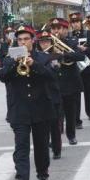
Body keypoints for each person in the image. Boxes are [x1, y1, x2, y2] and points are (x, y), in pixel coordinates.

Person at [0, 25, 56, 180]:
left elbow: (52, 76)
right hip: (19, 109)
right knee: (21, 145)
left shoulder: (43, 57)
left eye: (26, 39)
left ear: (32, 40)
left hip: (41, 108)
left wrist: (35, 64)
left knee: (41, 144)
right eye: (20, 39)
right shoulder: (10, 58)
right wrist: (14, 63)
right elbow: (2, 76)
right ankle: (22, 178)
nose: (22, 42)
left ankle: (42, 172)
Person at [50, 18, 85, 145]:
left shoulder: (72, 41)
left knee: (70, 112)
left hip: (70, 82)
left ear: (65, 30)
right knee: (55, 114)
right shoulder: (46, 43)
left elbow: (80, 56)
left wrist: (63, 54)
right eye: (53, 28)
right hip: (54, 83)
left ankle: (71, 135)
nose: (56, 31)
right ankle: (55, 138)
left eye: (58, 28)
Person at [36, 30, 63, 159]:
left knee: (55, 125)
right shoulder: (35, 56)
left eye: (47, 41)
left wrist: (56, 65)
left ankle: (57, 149)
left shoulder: (56, 55)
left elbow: (56, 73)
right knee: (43, 126)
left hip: (54, 93)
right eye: (42, 42)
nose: (44, 44)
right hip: (41, 95)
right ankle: (45, 147)